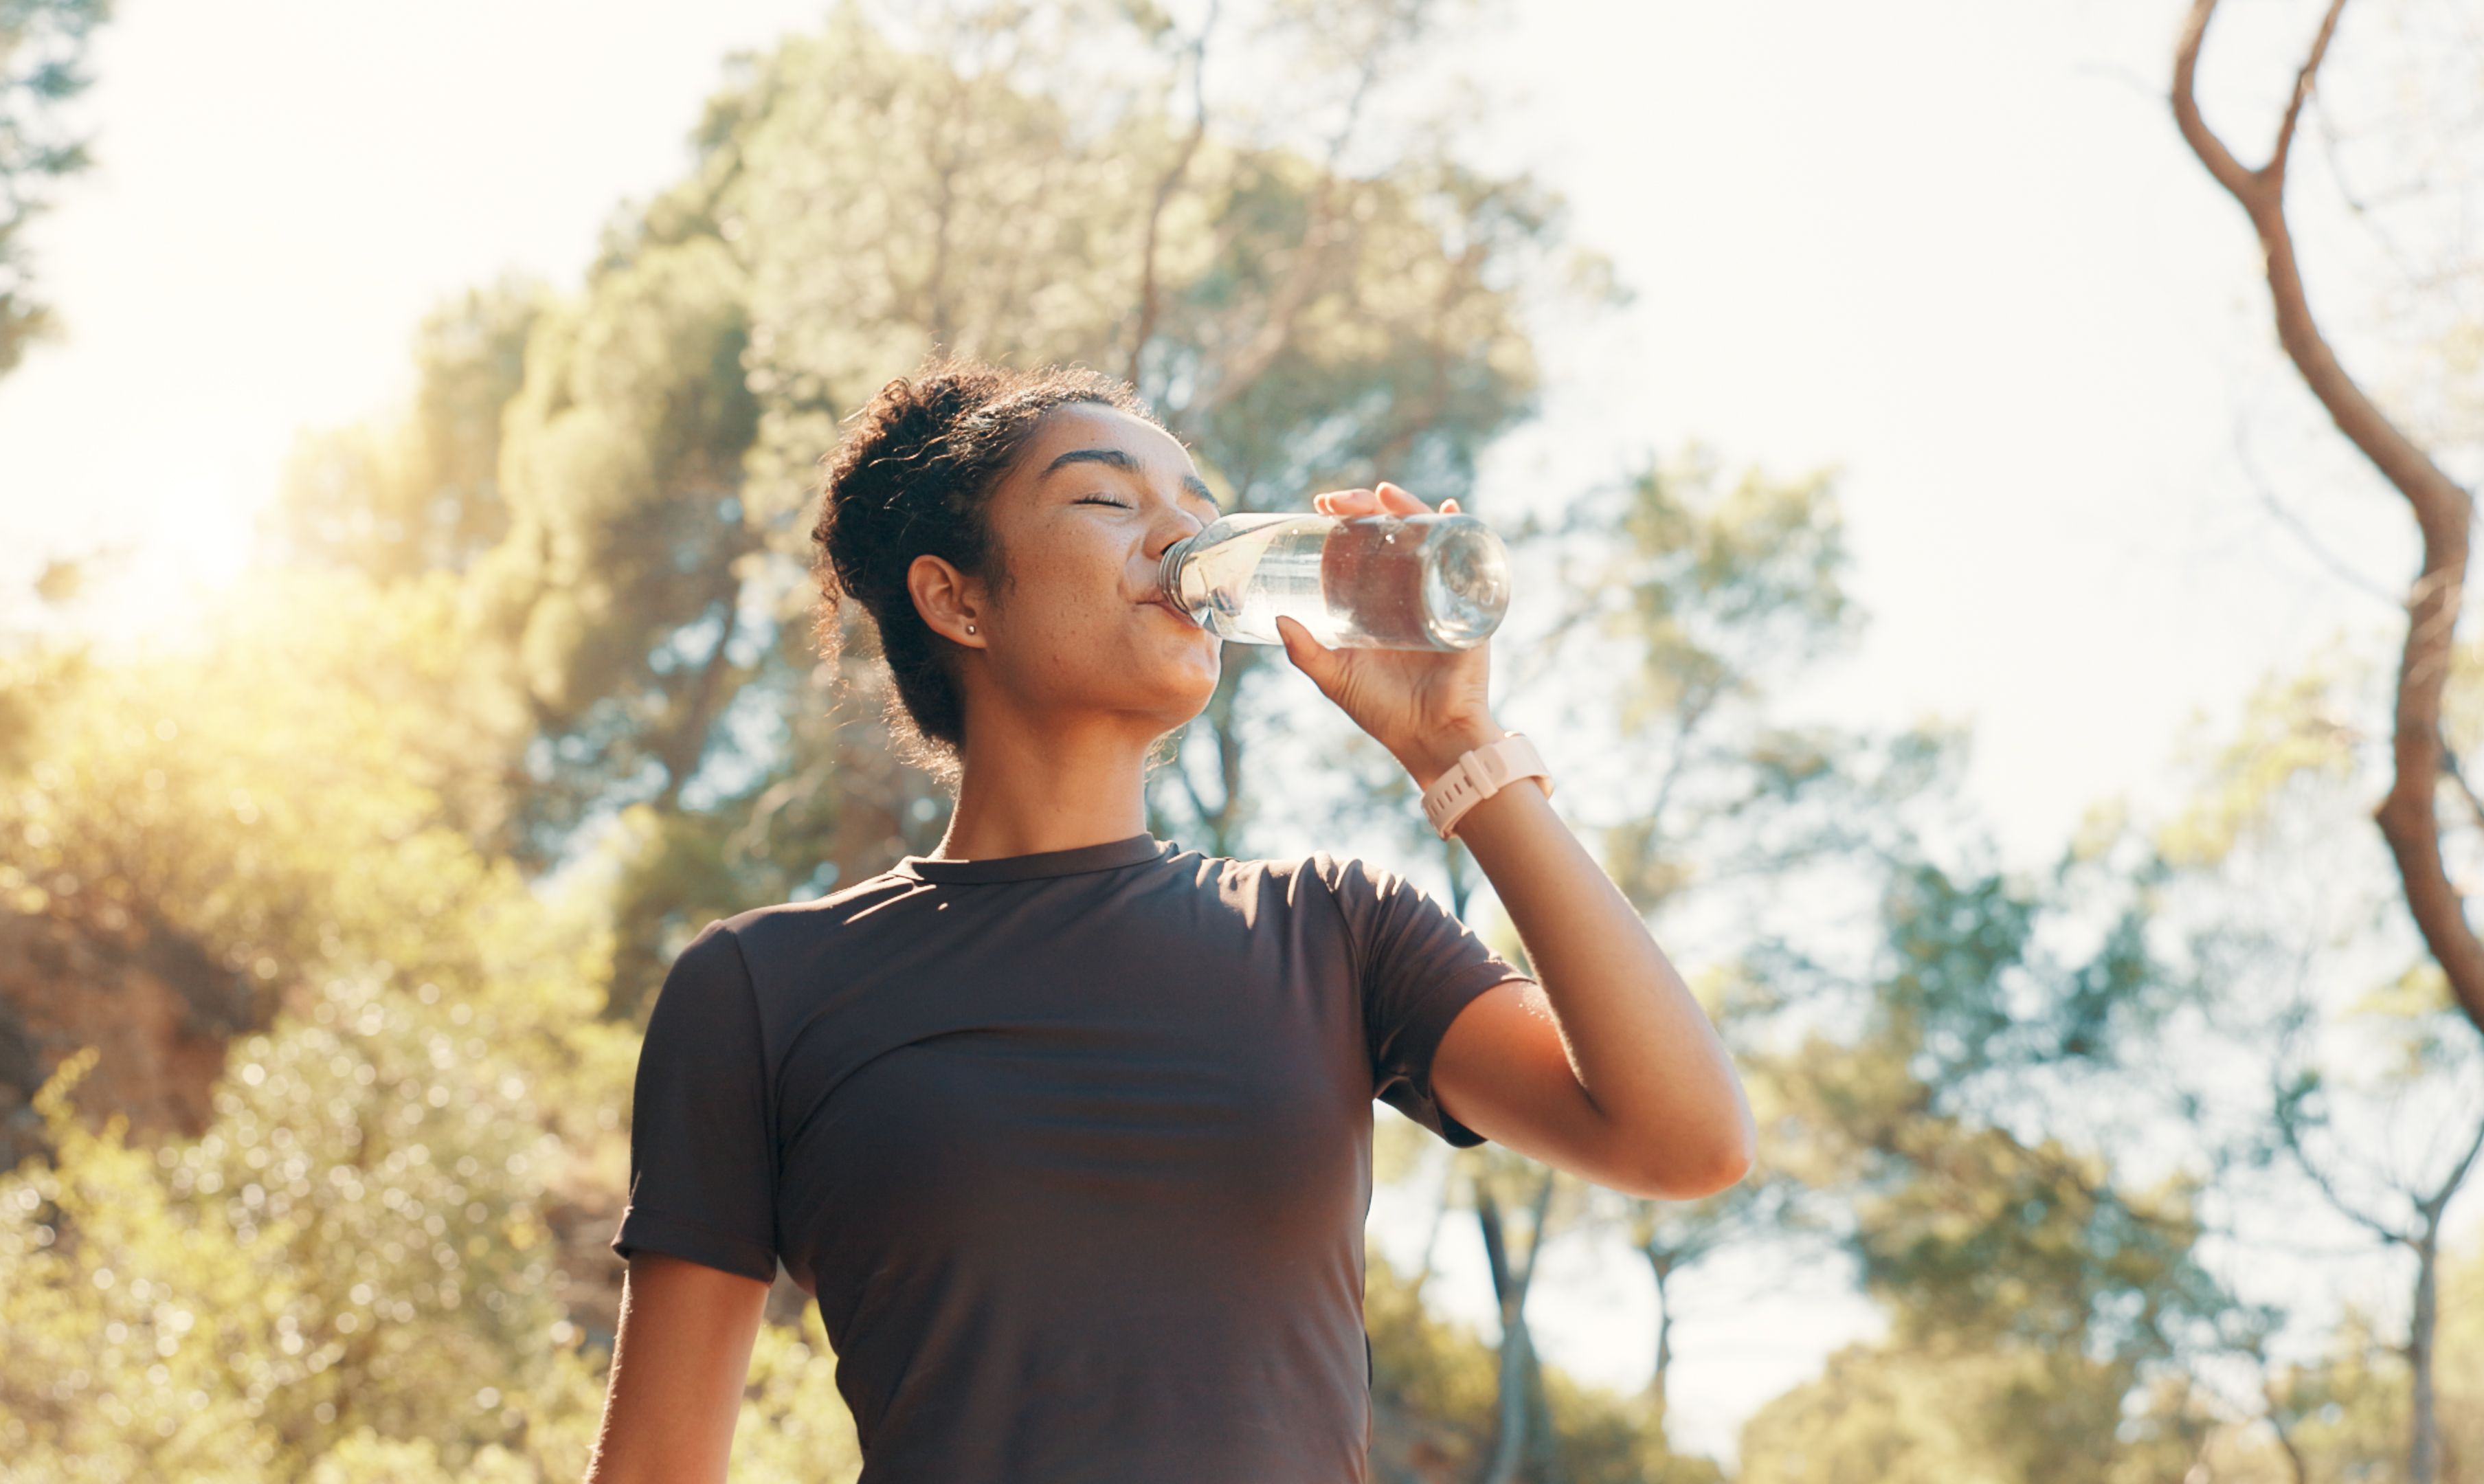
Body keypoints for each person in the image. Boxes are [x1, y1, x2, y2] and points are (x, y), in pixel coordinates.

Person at [583, 357, 1754, 1483]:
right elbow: (653, 1467)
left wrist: (1459, 754)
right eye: (1108, 499)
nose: (1183, 537)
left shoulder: (1335, 930)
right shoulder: (764, 986)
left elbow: (1685, 1141)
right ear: (958, 599)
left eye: (1198, 507)